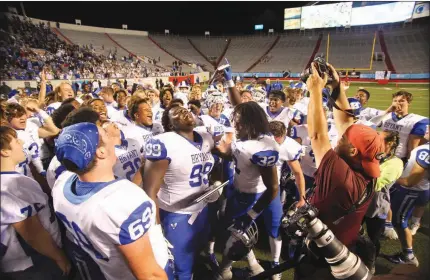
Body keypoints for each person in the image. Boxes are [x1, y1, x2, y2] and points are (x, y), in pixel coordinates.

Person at [295, 62, 383, 279]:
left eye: (343, 137)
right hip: (346, 245)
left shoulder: (340, 177)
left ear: (353, 149)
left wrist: (315, 89)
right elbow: (346, 123)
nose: (339, 135)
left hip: (325, 260)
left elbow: (317, 135)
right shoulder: (366, 166)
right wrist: (336, 87)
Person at [52, 121, 172, 280]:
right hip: (143, 271)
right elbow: (149, 274)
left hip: (110, 271)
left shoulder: (62, 183)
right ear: (101, 152)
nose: (110, 136)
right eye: (105, 134)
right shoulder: (120, 201)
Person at [142, 104, 223, 280]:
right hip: (176, 214)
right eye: (176, 113)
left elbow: (216, 163)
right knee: (181, 269)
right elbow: (150, 191)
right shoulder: (164, 143)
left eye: (185, 109)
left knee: (196, 254)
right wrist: (155, 231)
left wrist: (214, 185)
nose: (184, 111)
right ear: (170, 125)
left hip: (202, 209)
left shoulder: (205, 137)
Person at [214, 102, 280, 280]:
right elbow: (238, 156)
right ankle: (253, 266)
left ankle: (224, 271)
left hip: (251, 197)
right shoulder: (246, 138)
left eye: (239, 123)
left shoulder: (263, 147)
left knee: (235, 240)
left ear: (251, 123)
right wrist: (219, 152)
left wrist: (251, 215)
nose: (235, 126)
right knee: (236, 234)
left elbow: (273, 187)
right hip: (237, 192)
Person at [1, 126, 71, 279]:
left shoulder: (13, 178)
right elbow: (30, 230)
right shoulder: (6, 186)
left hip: (40, 257)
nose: (21, 142)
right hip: (32, 263)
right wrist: (58, 255)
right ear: (4, 151)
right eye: (16, 140)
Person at [386, 124, 429, 267]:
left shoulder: (425, 151)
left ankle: (409, 256)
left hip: (409, 191)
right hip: (419, 189)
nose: (427, 129)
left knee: (400, 222)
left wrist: (389, 176)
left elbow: (410, 182)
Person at [363, 130, 403, 274]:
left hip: (376, 206)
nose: (373, 142)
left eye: (378, 140)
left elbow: (377, 183)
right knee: (352, 232)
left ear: (390, 144)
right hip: (360, 203)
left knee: (373, 238)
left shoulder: (395, 163)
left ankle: (370, 263)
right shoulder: (374, 155)